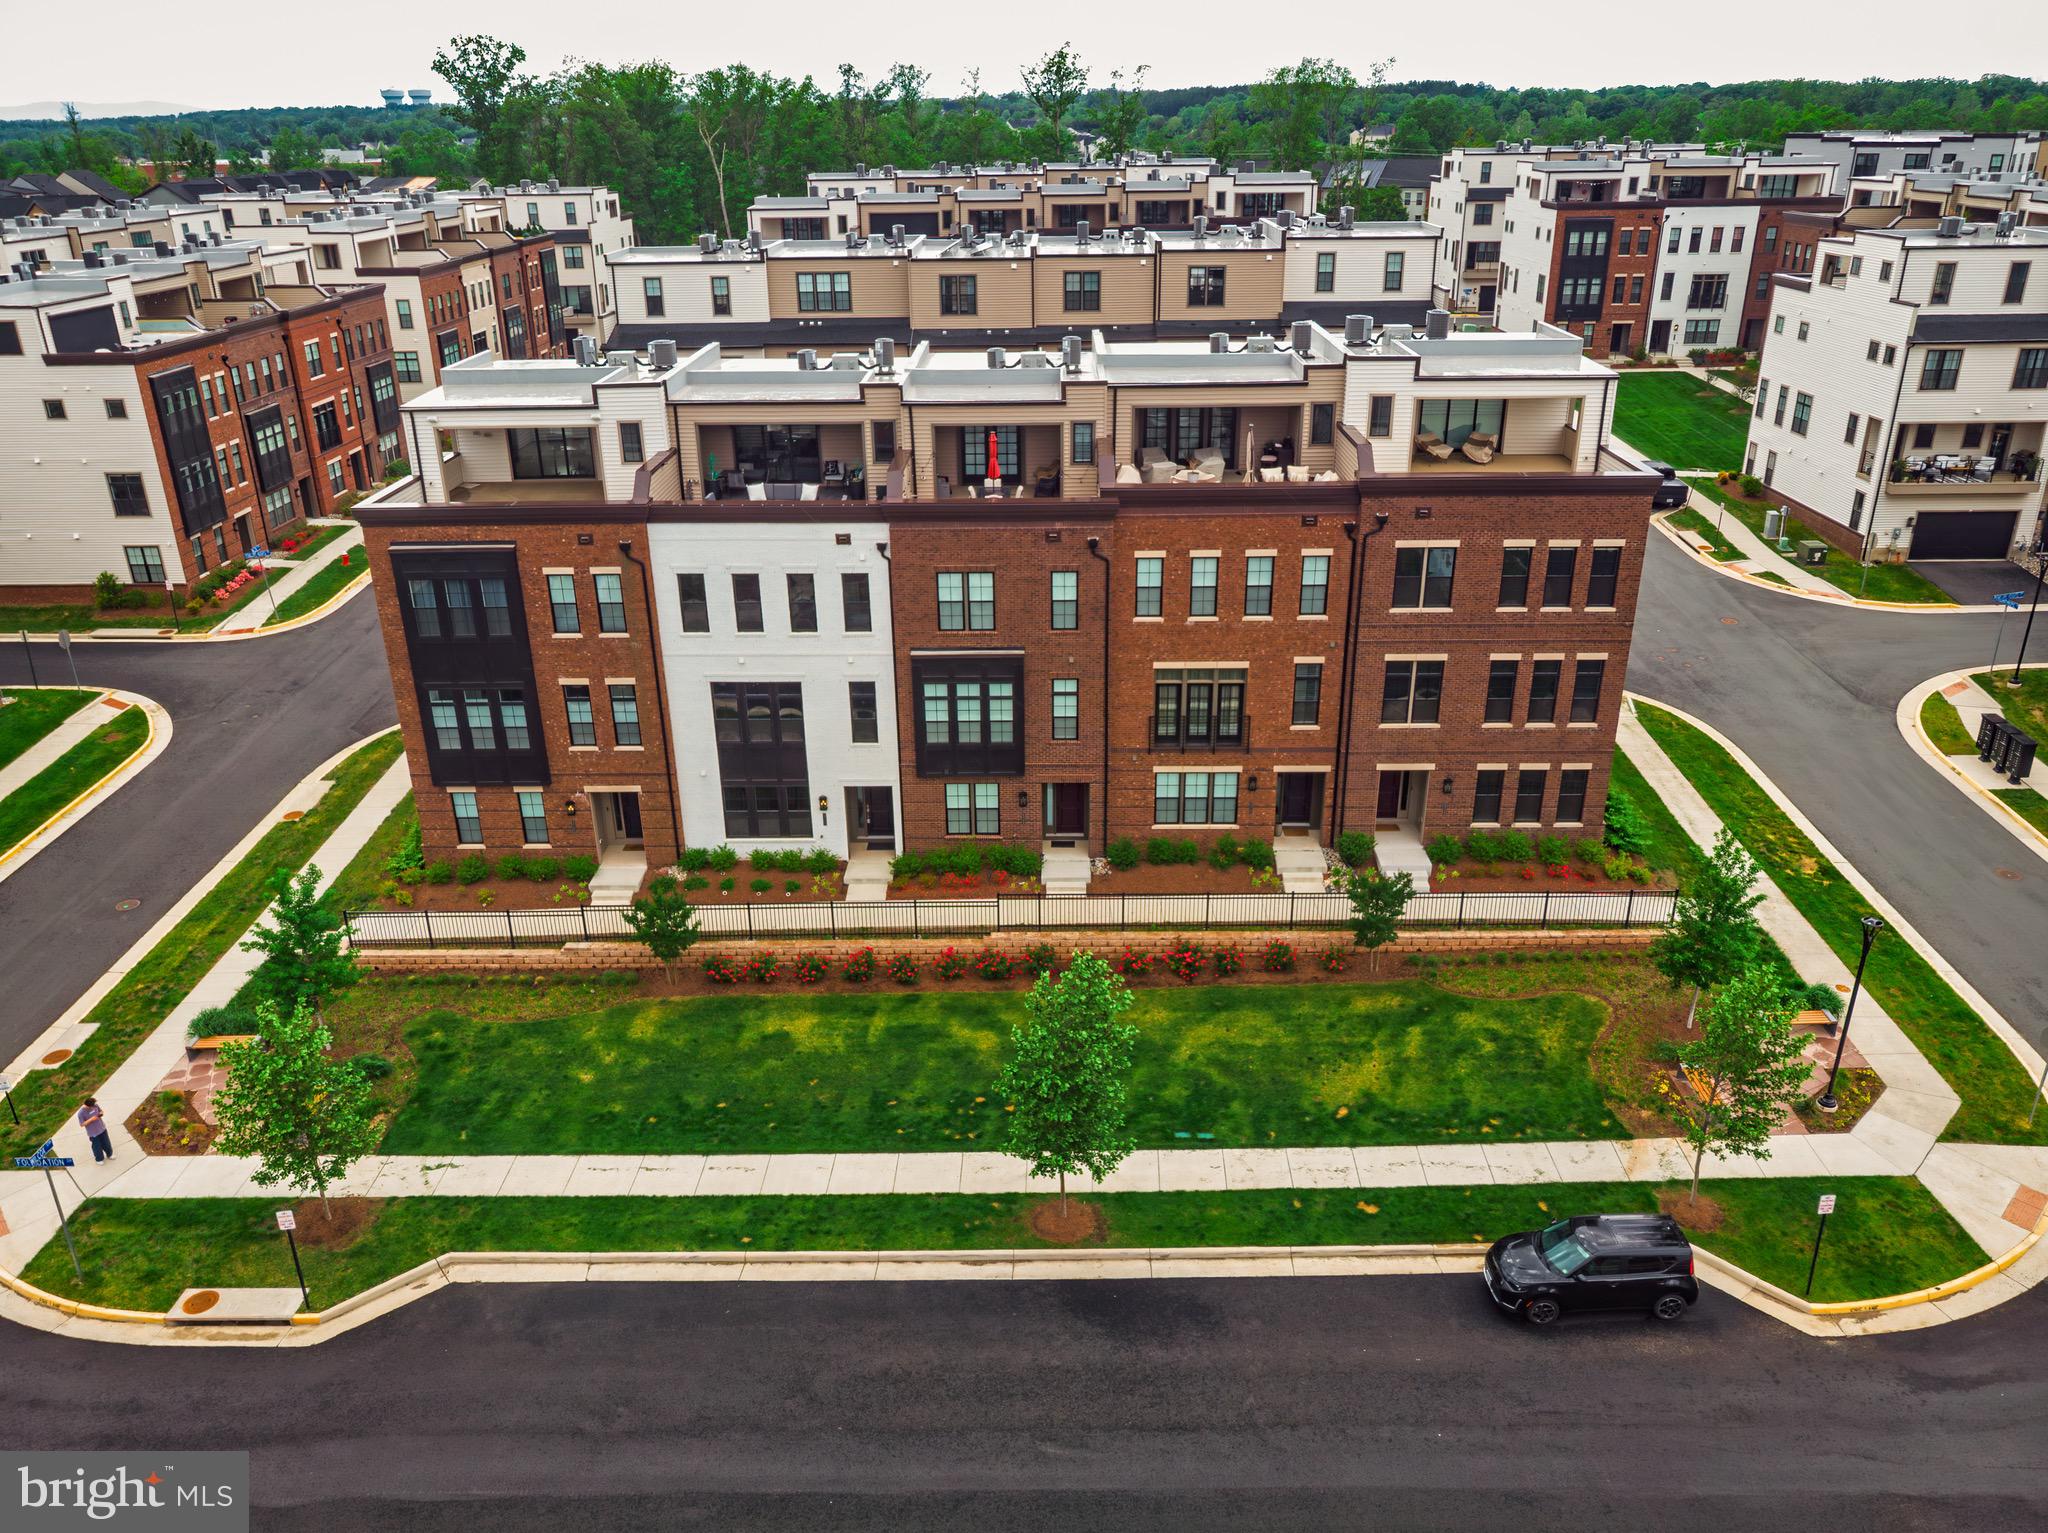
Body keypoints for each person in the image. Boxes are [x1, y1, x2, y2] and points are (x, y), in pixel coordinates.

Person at [78, 1098, 113, 1163]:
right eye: (92, 1106)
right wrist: (91, 1119)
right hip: (93, 1133)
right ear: (88, 1105)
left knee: (107, 1143)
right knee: (97, 1147)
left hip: (102, 1128)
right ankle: (99, 1159)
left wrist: (101, 1114)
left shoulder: (95, 1105)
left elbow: (101, 1111)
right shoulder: (81, 1113)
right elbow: (82, 1124)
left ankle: (109, 1154)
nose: (94, 1106)